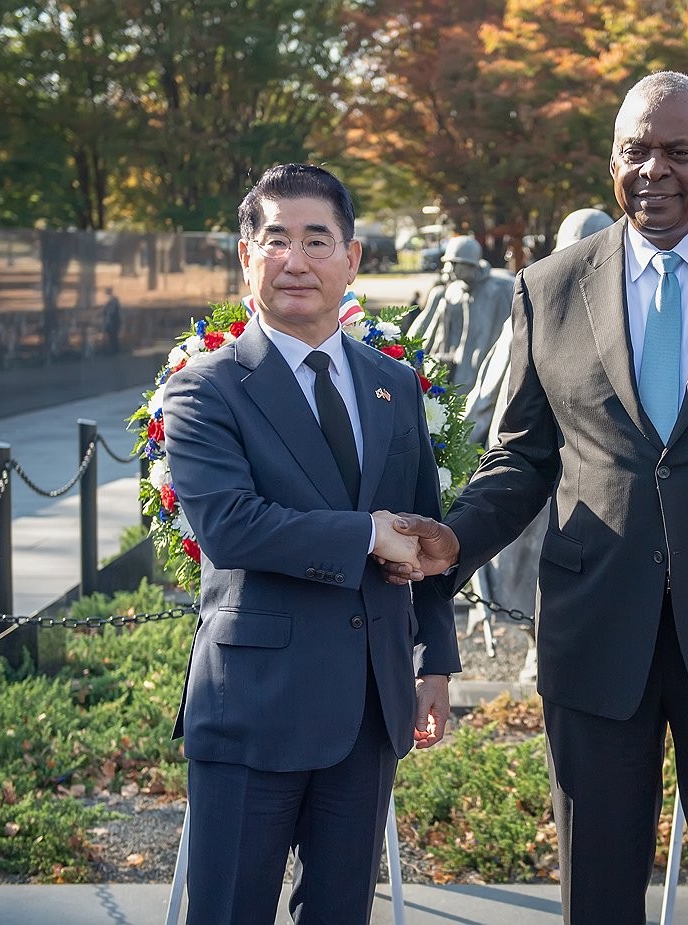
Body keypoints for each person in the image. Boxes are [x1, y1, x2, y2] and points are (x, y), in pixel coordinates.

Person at [386, 72, 688, 924]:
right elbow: (523, 456)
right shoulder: (549, 285)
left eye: (679, 152)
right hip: (595, 637)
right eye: (636, 150)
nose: (655, 170)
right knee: (598, 893)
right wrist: (453, 542)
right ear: (611, 159)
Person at [160, 163, 460, 925]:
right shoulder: (205, 388)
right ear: (245, 255)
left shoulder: (394, 387)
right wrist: (365, 534)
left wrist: (437, 663)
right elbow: (230, 524)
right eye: (276, 240)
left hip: (367, 707)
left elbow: (422, 531)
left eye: (317, 240)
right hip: (252, 705)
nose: (296, 260)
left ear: (351, 258)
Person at [463, 207, 615, 676]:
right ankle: (535, 642)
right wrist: (466, 433)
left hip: (586, 464)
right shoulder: (538, 297)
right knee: (523, 559)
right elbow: (493, 382)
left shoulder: (621, 307)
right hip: (527, 455)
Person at [406, 235, 514, 389]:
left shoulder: (497, 292)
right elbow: (439, 333)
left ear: (470, 265)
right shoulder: (453, 291)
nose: (449, 269)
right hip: (456, 370)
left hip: (486, 371)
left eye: (455, 264)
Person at [102, 287, 122, 353]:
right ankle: (114, 349)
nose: (106, 293)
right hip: (112, 320)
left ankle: (115, 350)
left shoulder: (113, 300)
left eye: (107, 291)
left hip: (113, 320)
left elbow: (112, 311)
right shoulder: (111, 299)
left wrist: (105, 310)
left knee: (113, 336)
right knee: (112, 336)